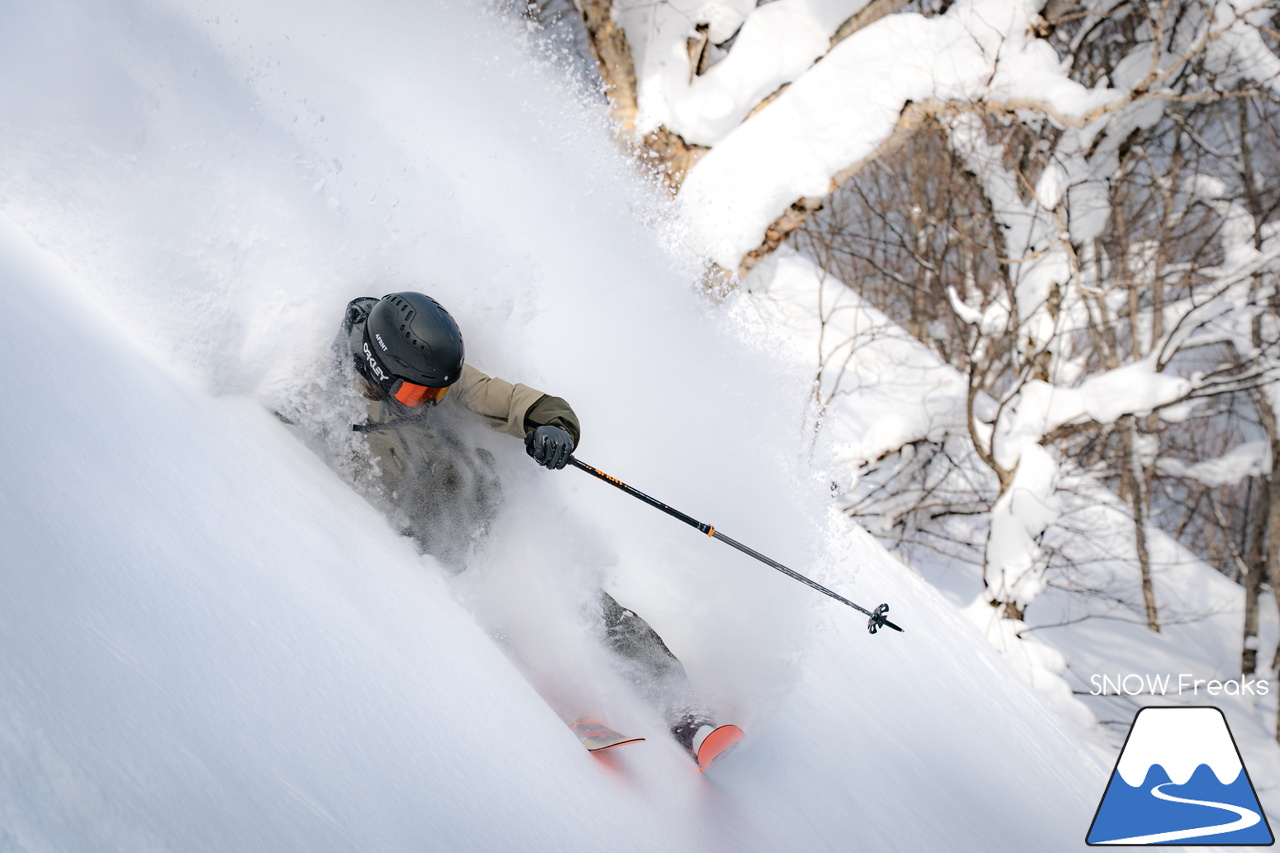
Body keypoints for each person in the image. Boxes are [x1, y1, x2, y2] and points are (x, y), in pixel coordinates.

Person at [335, 291, 737, 766]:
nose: (428, 404)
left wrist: (553, 427)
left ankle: (687, 713)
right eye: (417, 396)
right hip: (423, 551)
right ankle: (535, 674)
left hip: (485, 522)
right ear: (378, 369)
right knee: (501, 611)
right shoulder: (332, 397)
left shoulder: (435, 377)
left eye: (437, 395)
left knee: (577, 601)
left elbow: (519, 402)